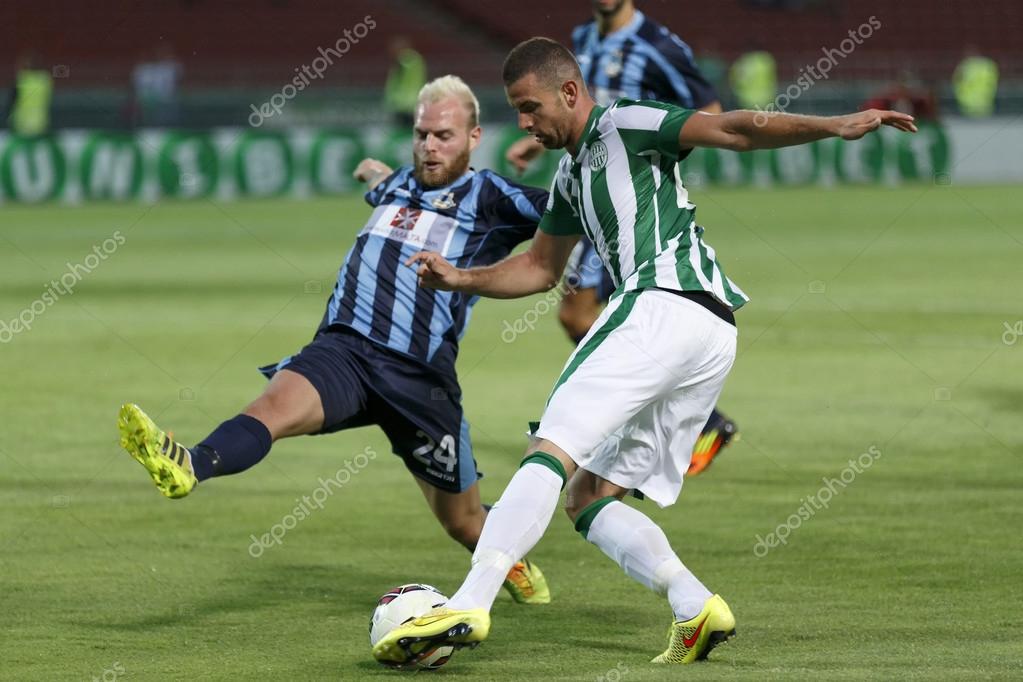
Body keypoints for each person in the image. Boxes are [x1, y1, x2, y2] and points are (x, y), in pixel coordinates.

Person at [372, 37, 915, 667]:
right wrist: (461, 279)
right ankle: (695, 606)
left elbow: (734, 130)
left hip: (662, 302)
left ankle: (470, 600)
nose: (523, 124)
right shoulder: (573, 175)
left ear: (569, 93)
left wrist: (836, 124)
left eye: (530, 107)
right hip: (709, 333)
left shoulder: (625, 122)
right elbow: (540, 268)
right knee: (587, 495)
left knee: (548, 449)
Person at [117, 75, 552, 606]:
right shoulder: (395, 186)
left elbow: (567, 213)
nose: (430, 146)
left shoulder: (493, 197)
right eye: (421, 135)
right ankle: (189, 463)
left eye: (444, 136)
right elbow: (382, 180)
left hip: (420, 378)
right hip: (344, 350)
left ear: (474, 136)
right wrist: (374, 171)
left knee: (462, 521)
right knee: (272, 407)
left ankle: (511, 563)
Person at [506, 0, 737, 476]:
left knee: (580, 310)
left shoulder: (657, 45)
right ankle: (669, 416)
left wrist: (650, 154)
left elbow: (710, 110)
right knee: (582, 312)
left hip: (630, 199)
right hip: (591, 198)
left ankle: (684, 420)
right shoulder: (581, 42)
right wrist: (536, 138)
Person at [5, 52, 53, 136]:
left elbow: (11, 101)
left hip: (21, 124)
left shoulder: (22, 80)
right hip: (41, 123)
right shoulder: (45, 80)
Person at [384, 37, 428, 128]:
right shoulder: (413, 59)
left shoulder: (406, 60)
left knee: (406, 130)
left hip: (406, 104)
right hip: (406, 103)